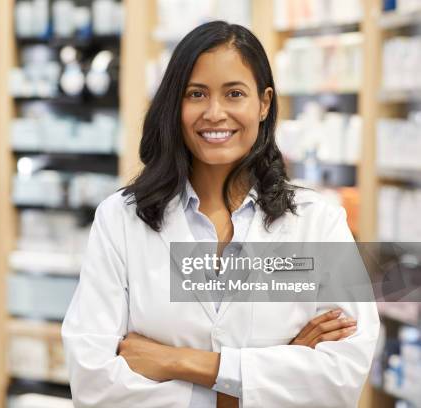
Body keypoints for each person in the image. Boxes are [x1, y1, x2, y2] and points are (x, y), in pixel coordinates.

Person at [62, 21, 379, 408]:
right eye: (196, 94)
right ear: (175, 104)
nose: (215, 113)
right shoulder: (121, 220)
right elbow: (92, 383)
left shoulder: (318, 221)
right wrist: (258, 384)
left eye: (234, 94)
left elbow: (340, 378)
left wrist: (180, 362)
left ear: (263, 104)